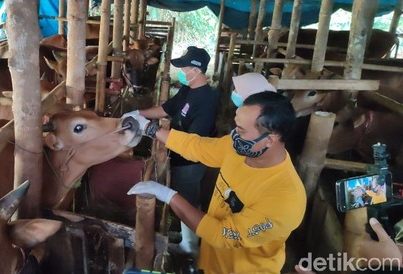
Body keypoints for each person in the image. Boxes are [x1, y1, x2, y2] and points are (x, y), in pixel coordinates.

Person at [127, 91, 306, 274]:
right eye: (236, 127)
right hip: (210, 261)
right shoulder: (240, 148)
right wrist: (150, 128)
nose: (234, 135)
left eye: (241, 131)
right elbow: (197, 147)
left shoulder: (285, 199)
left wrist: (169, 196)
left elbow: (222, 234)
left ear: (270, 139)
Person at [122, 45, 219, 257]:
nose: (182, 72)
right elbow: (166, 109)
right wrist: (139, 112)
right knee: (182, 194)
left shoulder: (206, 101)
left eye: (184, 68)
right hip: (176, 152)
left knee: (187, 197)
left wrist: (153, 131)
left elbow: (193, 143)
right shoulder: (188, 89)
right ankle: (185, 234)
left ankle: (191, 247)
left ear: (197, 70)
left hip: (190, 161)